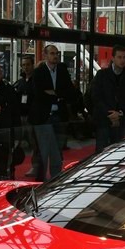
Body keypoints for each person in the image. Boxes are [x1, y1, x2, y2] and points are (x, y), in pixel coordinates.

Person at [29, 44, 78, 180]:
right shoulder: (39, 71)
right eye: (52, 53)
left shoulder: (62, 70)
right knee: (43, 153)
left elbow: (70, 92)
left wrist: (54, 93)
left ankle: (56, 181)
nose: (55, 56)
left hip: (59, 116)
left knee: (57, 153)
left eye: (56, 53)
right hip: (43, 117)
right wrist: (59, 95)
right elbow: (39, 94)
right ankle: (40, 183)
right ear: (45, 55)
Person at [90, 47, 125, 152]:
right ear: (113, 58)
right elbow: (95, 96)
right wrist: (110, 114)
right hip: (103, 120)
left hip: (121, 121)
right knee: (101, 154)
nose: (122, 60)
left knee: (119, 153)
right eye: (119, 57)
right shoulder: (102, 75)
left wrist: (120, 113)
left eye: (124, 57)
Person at [14, 54, 40, 178]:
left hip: (32, 117)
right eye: (23, 65)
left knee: (34, 143)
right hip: (20, 116)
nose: (26, 67)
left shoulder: (36, 81)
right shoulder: (21, 81)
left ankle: (36, 167)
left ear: (32, 65)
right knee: (16, 142)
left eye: (28, 65)